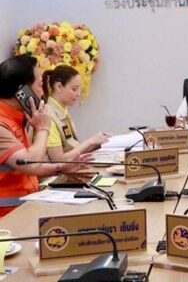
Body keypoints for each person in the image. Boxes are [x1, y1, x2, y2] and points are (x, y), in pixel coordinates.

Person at [0, 55, 89, 217]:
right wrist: (43, 128)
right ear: (22, 92)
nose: (43, 93)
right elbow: (31, 164)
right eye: (40, 85)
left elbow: (28, 168)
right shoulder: (2, 124)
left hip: (24, 207)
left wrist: (61, 168)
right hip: (7, 217)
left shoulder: (17, 118)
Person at [33, 65, 109, 161]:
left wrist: (98, 143)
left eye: (80, 90)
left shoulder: (62, 110)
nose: (78, 94)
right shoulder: (47, 115)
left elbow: (72, 150)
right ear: (59, 87)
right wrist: (90, 142)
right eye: (74, 89)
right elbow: (58, 159)